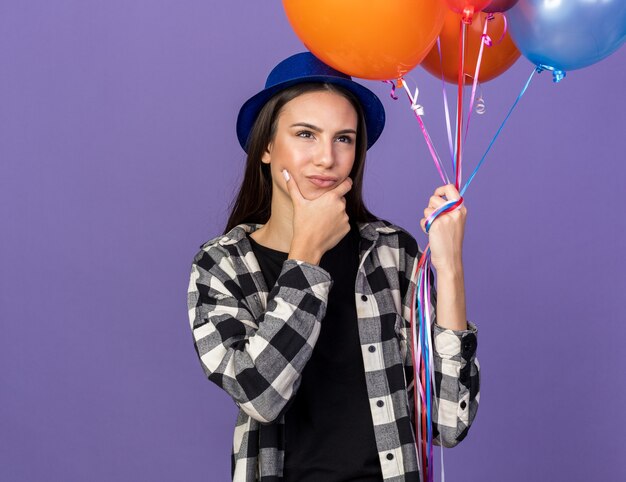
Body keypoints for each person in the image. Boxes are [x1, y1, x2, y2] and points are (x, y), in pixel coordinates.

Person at [187, 52, 480, 482]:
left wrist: (449, 267)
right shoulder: (222, 265)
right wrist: (306, 250)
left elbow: (449, 424)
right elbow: (259, 395)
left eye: (344, 138)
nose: (327, 157)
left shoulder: (392, 252)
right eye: (306, 134)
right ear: (266, 146)